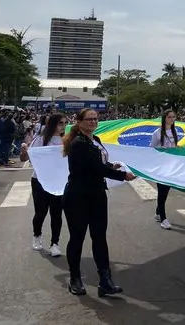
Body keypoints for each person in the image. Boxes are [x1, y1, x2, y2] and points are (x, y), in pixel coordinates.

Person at [62, 108, 136, 297]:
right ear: (79, 122)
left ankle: (105, 280)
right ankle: (75, 278)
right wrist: (123, 175)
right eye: (89, 119)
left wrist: (112, 166)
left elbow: (100, 164)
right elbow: (95, 168)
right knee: (77, 238)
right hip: (78, 197)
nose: (93, 122)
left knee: (99, 238)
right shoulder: (79, 143)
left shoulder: (96, 140)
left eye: (95, 119)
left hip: (97, 195)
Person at [20, 112, 67, 256]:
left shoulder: (67, 140)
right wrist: (24, 151)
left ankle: (55, 243)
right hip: (40, 181)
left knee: (56, 213)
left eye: (65, 123)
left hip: (59, 182)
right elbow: (24, 159)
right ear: (52, 124)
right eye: (60, 123)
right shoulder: (39, 140)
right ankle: (37, 236)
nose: (63, 126)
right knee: (40, 212)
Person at [150, 109, 179, 230]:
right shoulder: (157, 133)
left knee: (165, 191)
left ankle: (158, 212)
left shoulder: (175, 130)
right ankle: (163, 218)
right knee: (162, 192)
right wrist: (160, 149)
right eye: (169, 117)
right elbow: (151, 148)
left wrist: (179, 147)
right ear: (164, 118)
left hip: (171, 166)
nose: (172, 119)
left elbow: (174, 146)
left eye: (173, 117)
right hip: (160, 166)